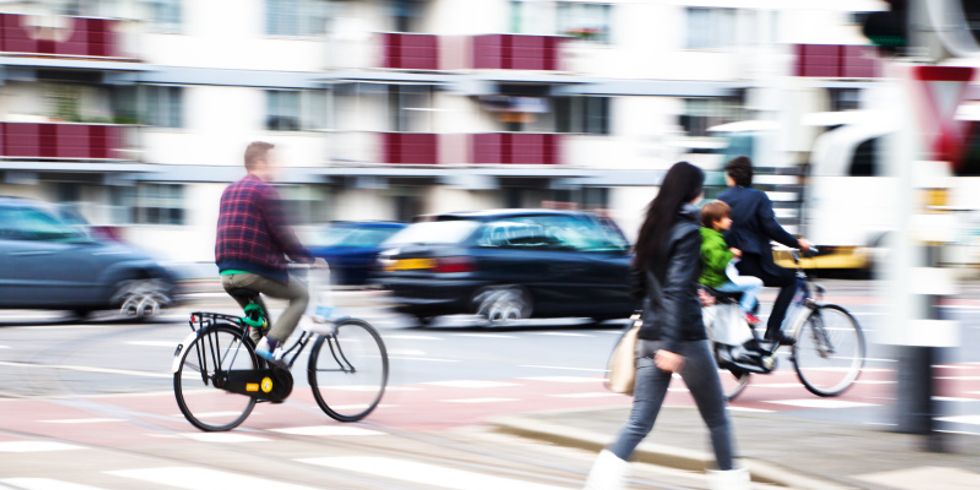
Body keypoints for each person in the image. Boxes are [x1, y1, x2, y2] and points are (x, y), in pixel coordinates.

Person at [584, 162, 747, 490]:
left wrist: (684, 295)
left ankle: (601, 481)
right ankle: (730, 483)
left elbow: (639, 283)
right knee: (717, 418)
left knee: (639, 422)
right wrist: (672, 344)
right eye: (701, 190)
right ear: (694, 193)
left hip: (649, 334)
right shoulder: (688, 232)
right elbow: (674, 289)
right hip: (683, 337)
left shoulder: (652, 226)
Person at [215, 141, 322, 362]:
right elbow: (283, 236)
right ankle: (273, 344)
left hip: (227, 273)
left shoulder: (228, 191)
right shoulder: (265, 191)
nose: (278, 166)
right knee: (302, 295)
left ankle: (260, 377)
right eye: (274, 161)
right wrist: (309, 259)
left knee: (261, 323)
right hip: (252, 271)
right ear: (261, 162)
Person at [718, 156, 811, 346]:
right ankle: (774, 330)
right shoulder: (759, 197)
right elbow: (771, 228)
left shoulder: (721, 199)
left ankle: (744, 348)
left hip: (728, 263)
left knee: (751, 304)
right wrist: (796, 242)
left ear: (730, 177)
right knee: (790, 280)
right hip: (753, 261)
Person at [698, 200, 763, 326]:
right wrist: (731, 254)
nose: (730, 220)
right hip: (717, 283)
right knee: (756, 283)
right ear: (715, 222)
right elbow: (717, 263)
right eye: (726, 217)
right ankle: (743, 313)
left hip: (710, 280)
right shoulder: (714, 240)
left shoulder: (707, 236)